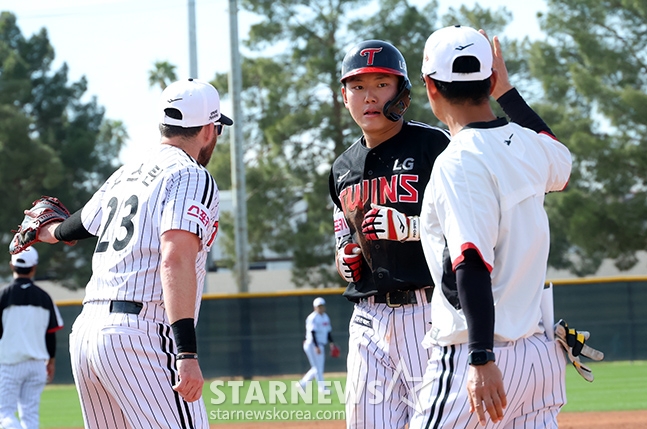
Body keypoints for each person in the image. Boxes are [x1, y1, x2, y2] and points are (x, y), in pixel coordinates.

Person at [329, 39, 551, 429]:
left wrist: (409, 229)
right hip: (367, 318)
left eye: (381, 84)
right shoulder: (342, 168)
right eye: (358, 86)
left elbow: (468, 224)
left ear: (403, 92)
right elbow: (343, 234)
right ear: (344, 96)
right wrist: (345, 255)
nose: (369, 97)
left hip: (427, 312)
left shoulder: (435, 145)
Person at [26, 78, 232, 429]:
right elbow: (175, 257)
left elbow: (82, 223)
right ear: (209, 129)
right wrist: (186, 352)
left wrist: (49, 232)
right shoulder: (190, 174)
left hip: (88, 334)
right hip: (141, 335)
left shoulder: (127, 173)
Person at [410, 25, 572, 428]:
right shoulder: (529, 145)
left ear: (431, 86)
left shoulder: (458, 161)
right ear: (491, 79)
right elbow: (561, 162)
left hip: (479, 355)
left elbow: (471, 260)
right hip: (536, 358)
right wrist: (508, 92)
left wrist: (480, 357)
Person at [0, 247, 63, 429]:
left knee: (4, 414)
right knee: (30, 416)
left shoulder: (3, 296)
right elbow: (51, 333)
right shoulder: (45, 298)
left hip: (9, 363)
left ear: (12, 266)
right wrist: (51, 361)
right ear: (34, 267)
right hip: (37, 365)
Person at [297, 297, 335, 393]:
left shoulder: (325, 317)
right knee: (318, 368)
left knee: (317, 367)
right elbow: (312, 332)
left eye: (322, 306)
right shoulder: (313, 318)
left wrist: (332, 343)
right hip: (312, 345)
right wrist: (317, 346)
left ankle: (302, 384)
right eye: (318, 306)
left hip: (319, 344)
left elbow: (328, 332)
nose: (320, 308)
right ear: (315, 307)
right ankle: (322, 388)